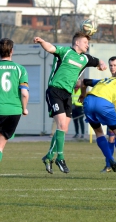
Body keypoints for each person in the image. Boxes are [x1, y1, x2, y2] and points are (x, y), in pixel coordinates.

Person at [33, 32, 107, 174]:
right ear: (77, 43)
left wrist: (102, 64)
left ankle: (48, 156)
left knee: (64, 128)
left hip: (68, 94)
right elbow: (50, 48)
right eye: (85, 42)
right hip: (55, 91)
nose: (87, 45)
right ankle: (60, 157)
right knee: (61, 125)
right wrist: (42, 41)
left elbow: (98, 61)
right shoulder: (65, 52)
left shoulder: (85, 58)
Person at [0, 38, 29, 161]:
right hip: (13, 111)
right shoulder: (20, 69)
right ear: (12, 51)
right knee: (0, 146)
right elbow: (24, 93)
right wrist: (24, 109)